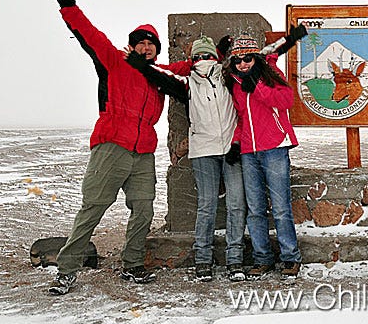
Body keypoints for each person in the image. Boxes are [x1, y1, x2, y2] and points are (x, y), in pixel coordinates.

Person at [45, 0, 185, 295]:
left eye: (152, 43)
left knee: (144, 209)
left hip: (143, 154)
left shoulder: (156, 77)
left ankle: (132, 264)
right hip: (111, 147)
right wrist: (68, 5)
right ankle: (67, 270)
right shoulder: (113, 62)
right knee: (93, 208)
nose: (146, 46)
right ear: (132, 45)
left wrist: (150, 69)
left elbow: (183, 87)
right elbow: (88, 35)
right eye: (141, 42)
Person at [124, 35, 247, 282]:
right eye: (198, 57)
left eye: (209, 56)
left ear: (217, 58)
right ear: (192, 61)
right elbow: (160, 75)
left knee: (236, 203)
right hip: (203, 151)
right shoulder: (187, 83)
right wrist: (139, 63)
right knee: (207, 205)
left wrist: (237, 142)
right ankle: (203, 259)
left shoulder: (229, 78)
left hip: (231, 149)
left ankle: (235, 259)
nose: (204, 61)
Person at [224, 28, 306, 279]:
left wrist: (257, 86)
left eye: (247, 58)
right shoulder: (235, 83)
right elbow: (241, 118)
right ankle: (263, 258)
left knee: (281, 207)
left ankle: (290, 258)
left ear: (255, 58)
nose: (242, 64)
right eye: (237, 60)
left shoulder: (270, 74)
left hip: (274, 148)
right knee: (255, 208)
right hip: (249, 151)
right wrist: (237, 144)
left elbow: (286, 101)